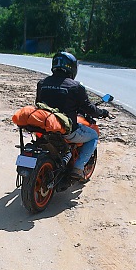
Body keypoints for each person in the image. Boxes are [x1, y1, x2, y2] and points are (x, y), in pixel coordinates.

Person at [35, 51, 109, 181]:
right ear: (72, 68)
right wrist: (102, 112)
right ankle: (78, 167)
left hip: (44, 127)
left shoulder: (42, 83)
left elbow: (38, 103)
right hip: (66, 130)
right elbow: (89, 108)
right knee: (93, 136)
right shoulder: (76, 87)